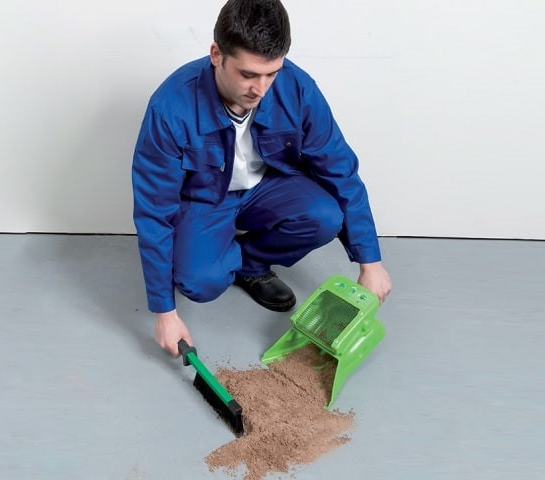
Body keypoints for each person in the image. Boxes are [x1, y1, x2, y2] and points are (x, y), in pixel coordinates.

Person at [132, 0, 392, 358]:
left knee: (325, 216)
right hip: (207, 202)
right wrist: (164, 313)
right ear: (216, 54)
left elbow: (339, 169)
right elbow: (154, 210)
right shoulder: (170, 107)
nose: (261, 88)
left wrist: (370, 261)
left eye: (272, 73)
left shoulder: (298, 88)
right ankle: (220, 255)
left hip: (268, 190)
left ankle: (250, 264)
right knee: (199, 280)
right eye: (248, 74)